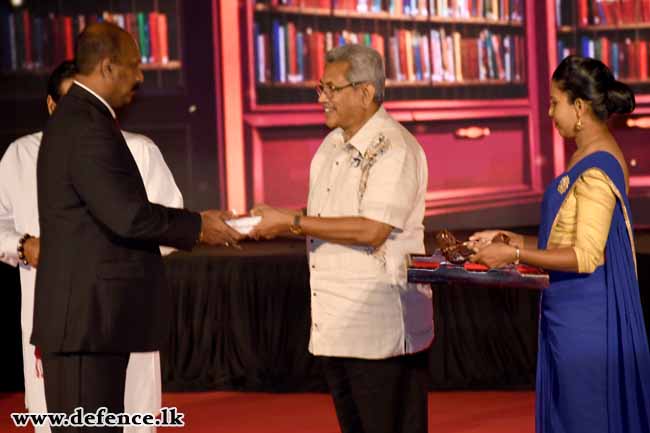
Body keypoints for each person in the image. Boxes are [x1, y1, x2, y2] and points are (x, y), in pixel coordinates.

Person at [31, 23, 243, 433]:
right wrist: (199, 226)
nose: (141, 77)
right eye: (134, 66)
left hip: (89, 323)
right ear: (108, 68)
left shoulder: (83, 118)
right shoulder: (86, 125)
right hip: (85, 325)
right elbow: (127, 215)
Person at [250, 44, 433, 433]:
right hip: (337, 323)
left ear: (365, 93)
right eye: (321, 88)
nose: (322, 98)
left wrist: (290, 222)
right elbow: (324, 217)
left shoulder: (393, 146)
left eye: (331, 89)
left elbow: (373, 229)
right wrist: (270, 221)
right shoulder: (330, 146)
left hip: (380, 328)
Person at [469, 55, 650, 433]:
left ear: (579, 107)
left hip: (586, 323)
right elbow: (564, 240)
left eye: (555, 102)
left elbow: (585, 255)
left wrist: (515, 254)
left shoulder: (597, 168)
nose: (550, 112)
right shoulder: (584, 156)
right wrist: (509, 238)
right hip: (568, 312)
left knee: (584, 418)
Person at [0, 60, 183, 433]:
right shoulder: (20, 155)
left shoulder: (139, 151)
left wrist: (112, 252)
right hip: (53, 312)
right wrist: (22, 246)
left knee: (131, 415)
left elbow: (169, 224)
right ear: (52, 106)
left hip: (122, 309)